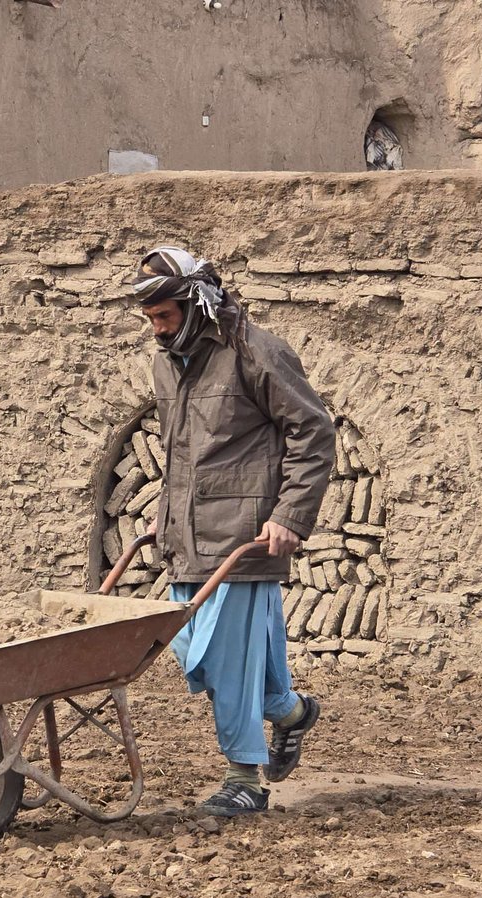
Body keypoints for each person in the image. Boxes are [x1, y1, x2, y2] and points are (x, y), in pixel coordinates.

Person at [133, 246, 335, 817]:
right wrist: (165, 514)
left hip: (246, 536)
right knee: (190, 646)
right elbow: (181, 452)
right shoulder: (168, 362)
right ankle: (291, 712)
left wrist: (290, 516)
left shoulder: (257, 352)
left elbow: (312, 434)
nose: (157, 330)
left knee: (222, 659)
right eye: (150, 320)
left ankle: (245, 775)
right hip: (186, 539)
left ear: (196, 304)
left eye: (165, 316)